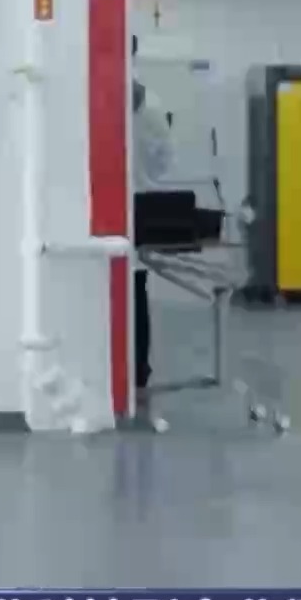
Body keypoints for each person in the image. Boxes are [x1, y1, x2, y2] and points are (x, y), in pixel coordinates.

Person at [132, 36, 175, 391]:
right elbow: (163, 162)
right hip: (140, 205)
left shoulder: (86, 96)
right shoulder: (151, 104)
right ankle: (138, 370)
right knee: (135, 287)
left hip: (99, 208)